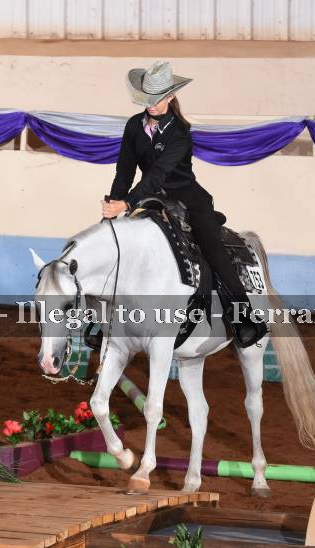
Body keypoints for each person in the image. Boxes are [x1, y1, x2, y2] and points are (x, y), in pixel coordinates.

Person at [101, 60, 268, 348]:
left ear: (171, 96)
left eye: (157, 98)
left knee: (212, 247)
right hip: (150, 198)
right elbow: (125, 169)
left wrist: (127, 204)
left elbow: (157, 174)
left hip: (187, 198)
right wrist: (114, 202)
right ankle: (103, 320)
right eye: (147, 98)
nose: (151, 104)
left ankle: (244, 318)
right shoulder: (133, 126)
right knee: (117, 241)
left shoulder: (180, 132)